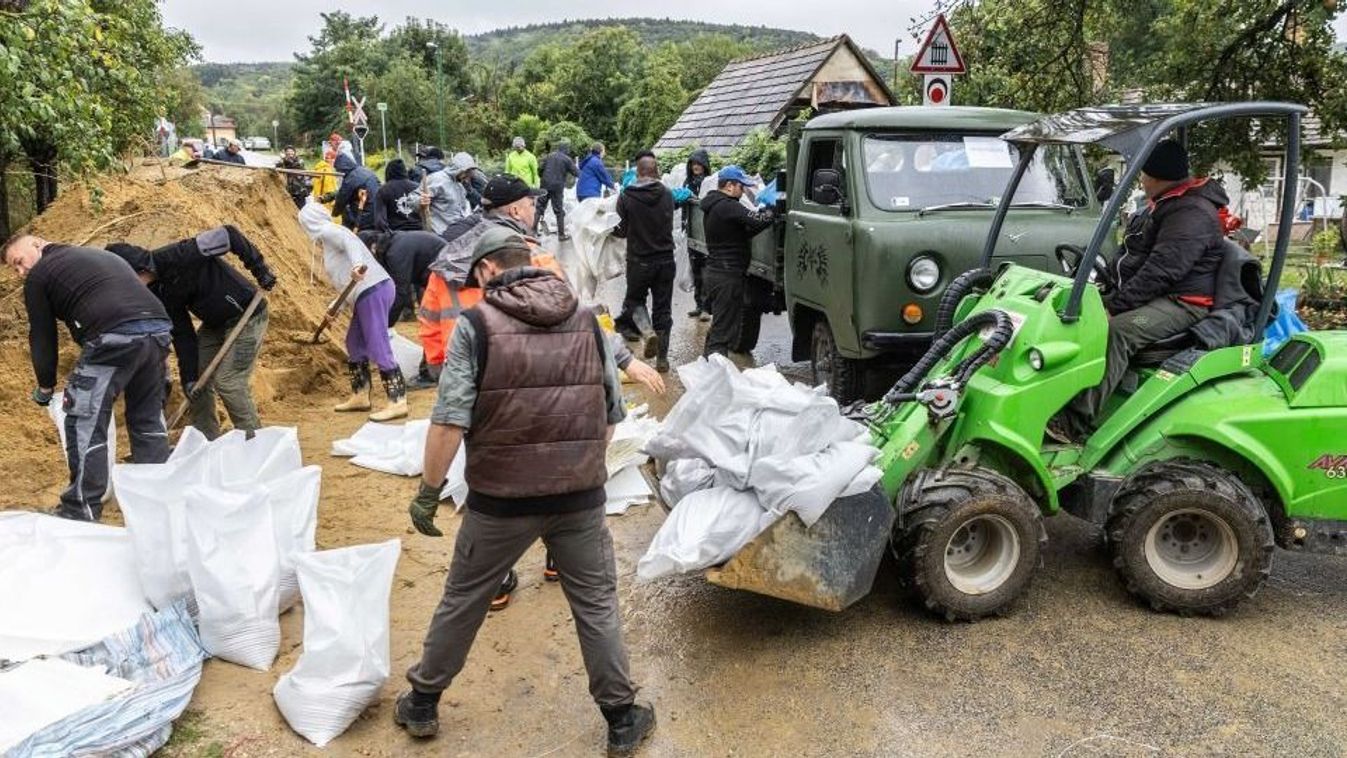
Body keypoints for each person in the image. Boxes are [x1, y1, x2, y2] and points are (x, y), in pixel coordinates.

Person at [395, 225, 657, 756]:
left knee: (464, 599)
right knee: (596, 605)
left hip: (500, 503)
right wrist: (579, 467)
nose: (474, 285)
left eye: (475, 276)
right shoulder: (586, 319)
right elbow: (610, 413)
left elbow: (448, 422)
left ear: (491, 268)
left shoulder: (477, 325)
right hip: (579, 499)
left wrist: (429, 491)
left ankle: (422, 703)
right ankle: (622, 717)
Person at [1051, 139, 1229, 441]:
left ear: (1156, 176)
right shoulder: (1167, 203)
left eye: (1143, 175)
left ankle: (1073, 424)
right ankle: (1055, 397)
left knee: (1117, 332)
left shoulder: (1191, 214)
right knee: (1070, 312)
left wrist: (1116, 307)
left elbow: (1162, 271)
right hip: (1155, 293)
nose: (1142, 182)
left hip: (1183, 302)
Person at [3, 235, 173, 521]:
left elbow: (43, 336)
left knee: (82, 417)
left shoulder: (41, 275)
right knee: (147, 417)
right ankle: (158, 501)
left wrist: (45, 387)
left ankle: (79, 510)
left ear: (37, 244)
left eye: (19, 262)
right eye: (14, 269)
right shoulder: (98, 256)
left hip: (114, 337)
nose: (21, 272)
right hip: (158, 331)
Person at [105, 227, 277, 440]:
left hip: (248, 316)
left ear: (137, 270)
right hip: (215, 325)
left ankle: (255, 443)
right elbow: (182, 332)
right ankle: (207, 442)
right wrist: (188, 377)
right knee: (196, 385)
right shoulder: (157, 291)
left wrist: (260, 269)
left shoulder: (180, 254)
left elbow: (229, 235)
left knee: (229, 382)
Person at [298, 201, 408, 421]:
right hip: (365, 293)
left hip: (373, 289)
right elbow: (344, 281)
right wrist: (333, 307)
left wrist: (357, 265)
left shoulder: (330, 231)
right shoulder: (327, 239)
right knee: (354, 343)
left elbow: (351, 243)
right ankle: (360, 396)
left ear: (308, 221)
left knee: (377, 344)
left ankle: (398, 401)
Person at [700, 166, 776, 358]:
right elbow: (758, 220)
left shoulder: (715, 205)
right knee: (722, 334)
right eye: (742, 187)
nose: (743, 192)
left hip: (716, 273)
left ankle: (710, 368)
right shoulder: (728, 206)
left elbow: (743, 233)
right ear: (730, 186)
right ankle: (714, 377)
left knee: (721, 325)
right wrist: (773, 210)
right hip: (727, 276)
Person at [613, 151, 676, 372]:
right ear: (655, 170)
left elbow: (620, 232)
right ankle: (662, 360)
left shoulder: (626, 196)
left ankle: (647, 332)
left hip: (639, 261)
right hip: (666, 260)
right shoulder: (667, 194)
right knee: (663, 308)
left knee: (635, 301)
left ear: (638, 171)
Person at [366, 229, 442, 327]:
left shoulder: (395, 253)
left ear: (372, 248)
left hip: (442, 267)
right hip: (434, 264)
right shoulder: (392, 241)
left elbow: (401, 291)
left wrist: (385, 325)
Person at [682, 149, 712, 321]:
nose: (696, 167)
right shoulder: (688, 182)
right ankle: (698, 305)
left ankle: (707, 308)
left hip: (707, 234)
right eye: (693, 164)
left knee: (707, 272)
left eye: (699, 164)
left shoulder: (709, 182)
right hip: (693, 233)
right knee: (696, 271)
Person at [417, 146, 471, 234]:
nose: (467, 177)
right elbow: (412, 199)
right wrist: (420, 201)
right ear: (459, 168)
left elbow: (463, 209)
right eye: (466, 172)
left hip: (456, 233)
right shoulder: (437, 179)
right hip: (440, 235)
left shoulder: (460, 186)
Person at [327, 151, 381, 231]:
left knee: (346, 210)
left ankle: (347, 234)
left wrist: (334, 213)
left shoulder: (350, 179)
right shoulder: (365, 170)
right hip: (379, 213)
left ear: (341, 168)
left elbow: (341, 199)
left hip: (364, 217)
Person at [538, 142, 579, 238]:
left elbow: (540, 169)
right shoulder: (567, 159)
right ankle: (561, 235)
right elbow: (576, 172)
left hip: (545, 184)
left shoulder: (549, 156)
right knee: (559, 210)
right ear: (566, 150)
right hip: (557, 186)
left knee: (539, 207)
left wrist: (543, 177)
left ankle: (533, 231)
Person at [374, 158, 424, 233]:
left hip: (396, 234)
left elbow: (380, 221)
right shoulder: (418, 187)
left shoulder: (383, 190)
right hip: (420, 232)